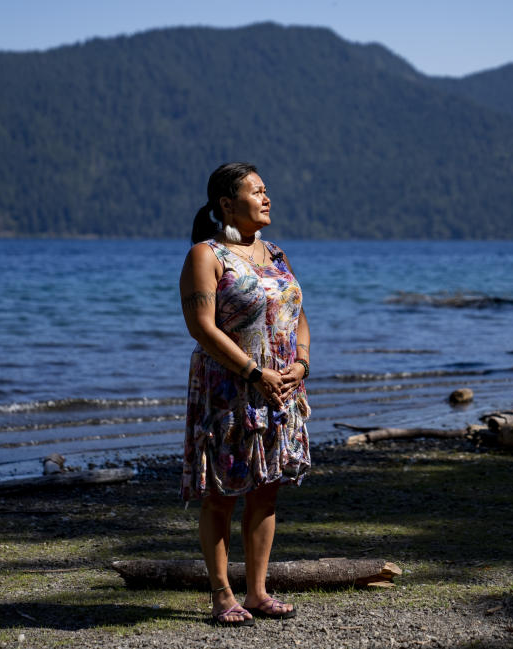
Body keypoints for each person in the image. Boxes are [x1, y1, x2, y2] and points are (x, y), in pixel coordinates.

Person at [179, 162, 311, 627]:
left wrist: (301, 365)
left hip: (280, 391)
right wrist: (254, 372)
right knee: (222, 492)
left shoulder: (275, 253)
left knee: (267, 488)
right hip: (229, 390)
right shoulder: (207, 254)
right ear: (227, 204)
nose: (267, 197)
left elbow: (298, 315)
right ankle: (222, 595)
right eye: (257, 191)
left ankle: (257, 591)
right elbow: (201, 327)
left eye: (266, 189)